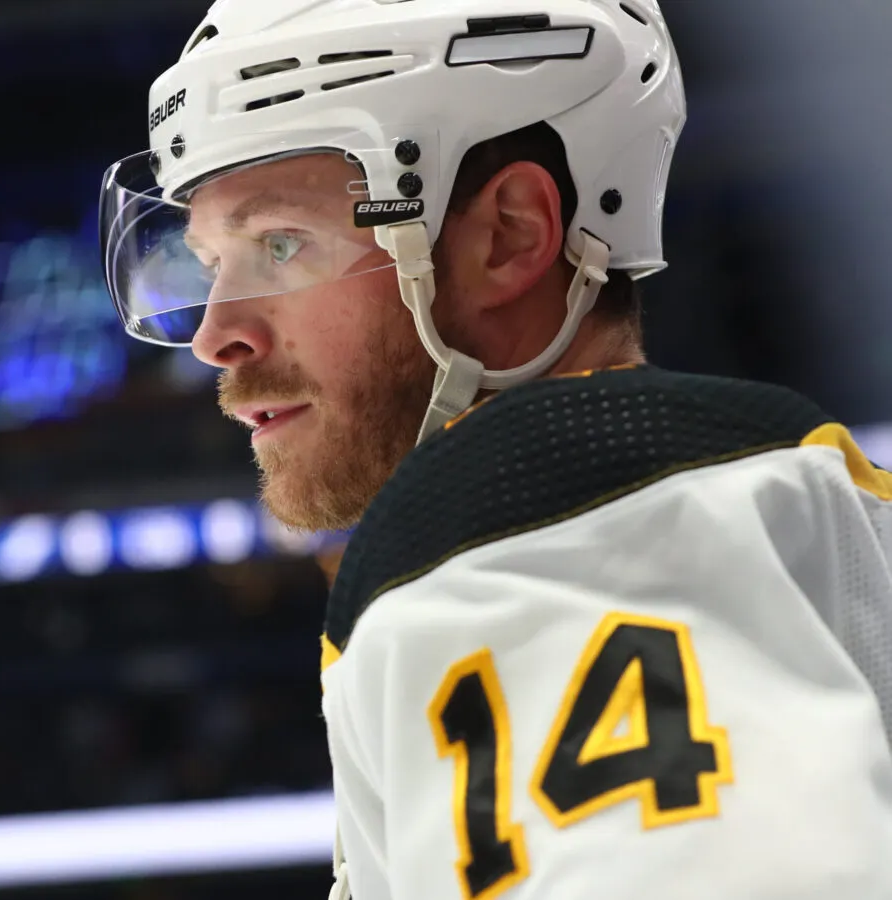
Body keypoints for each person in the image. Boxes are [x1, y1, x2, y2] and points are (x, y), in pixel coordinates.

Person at [98, 1, 892, 897]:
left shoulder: (543, 511)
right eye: (211, 265)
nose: (216, 334)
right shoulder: (801, 503)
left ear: (510, 235)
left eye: (281, 244)